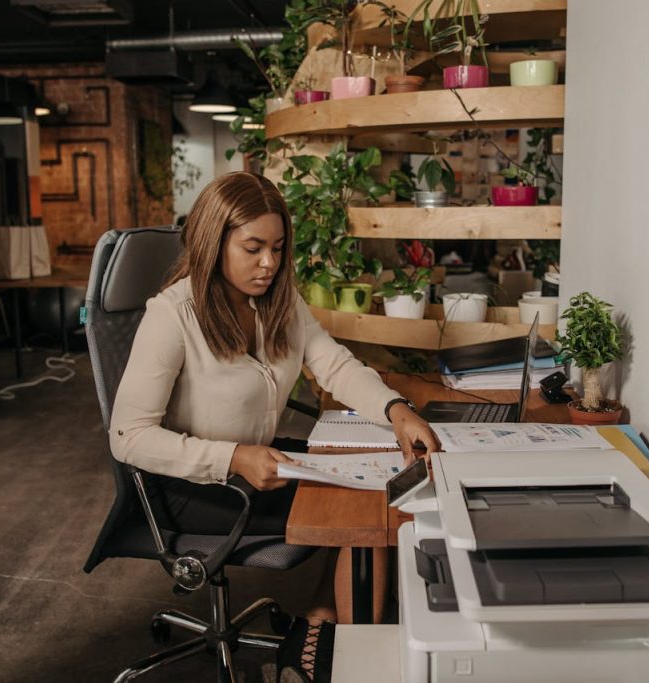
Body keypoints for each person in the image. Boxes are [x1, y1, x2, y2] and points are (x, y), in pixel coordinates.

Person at [109, 171, 441, 624]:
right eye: (253, 248)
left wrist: (396, 409)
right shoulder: (172, 315)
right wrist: (234, 457)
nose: (269, 262)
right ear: (213, 242)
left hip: (259, 461)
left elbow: (335, 365)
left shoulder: (278, 300)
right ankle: (346, 639)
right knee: (358, 508)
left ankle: (324, 618)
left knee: (377, 480)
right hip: (193, 483)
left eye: (278, 247)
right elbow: (128, 437)